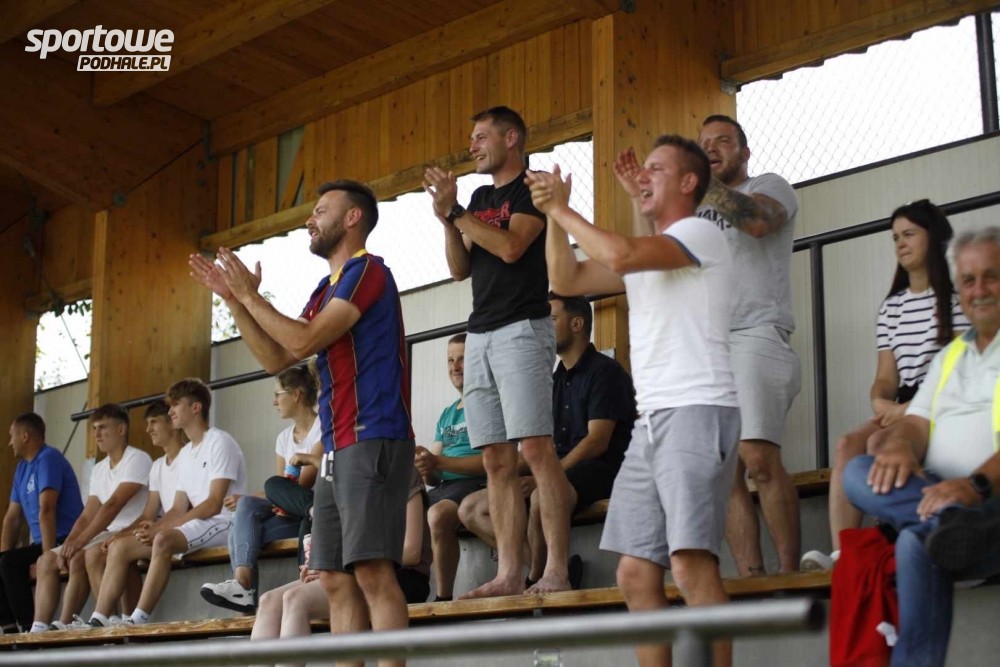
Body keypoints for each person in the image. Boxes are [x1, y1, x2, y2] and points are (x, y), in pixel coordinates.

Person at [528, 135, 739, 667]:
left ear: (689, 182)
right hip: (652, 423)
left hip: (697, 409)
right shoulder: (651, 253)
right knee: (634, 572)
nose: (643, 176)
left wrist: (563, 208)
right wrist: (553, 217)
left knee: (690, 565)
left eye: (657, 169)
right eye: (641, 169)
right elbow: (564, 278)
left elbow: (620, 253)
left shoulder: (701, 231)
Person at [190, 178, 413, 667]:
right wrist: (236, 300)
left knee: (372, 572)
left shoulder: (368, 270)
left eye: (320, 210)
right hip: (336, 446)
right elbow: (278, 357)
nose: (310, 220)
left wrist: (250, 296)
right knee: (332, 577)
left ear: (352, 218)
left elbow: (303, 340)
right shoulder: (324, 288)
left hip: (373, 436)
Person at [423, 106, 573, 597]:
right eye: (472, 138)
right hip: (481, 332)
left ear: (511, 138)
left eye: (481, 136)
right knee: (495, 459)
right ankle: (509, 572)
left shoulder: (532, 187)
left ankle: (556, 569)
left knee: (536, 450)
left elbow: (511, 248)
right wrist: (448, 221)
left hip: (522, 327)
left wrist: (457, 213)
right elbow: (459, 269)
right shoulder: (480, 197)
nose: (473, 146)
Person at [842, 227, 1000, 667]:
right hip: (944, 499)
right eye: (968, 281)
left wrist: (974, 486)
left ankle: (957, 519)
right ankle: (952, 521)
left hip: (992, 498)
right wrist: (900, 448)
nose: (979, 290)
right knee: (857, 470)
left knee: (915, 541)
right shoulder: (951, 356)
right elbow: (915, 422)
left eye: (991, 276)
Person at [801, 200, 968, 571]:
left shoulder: (958, 301)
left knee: (879, 444)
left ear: (934, 238)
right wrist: (880, 402)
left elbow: (957, 375)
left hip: (941, 401)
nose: (900, 244)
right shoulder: (891, 308)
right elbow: (886, 378)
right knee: (847, 444)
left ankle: (901, 537)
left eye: (909, 234)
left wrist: (906, 411)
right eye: (895, 238)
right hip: (903, 402)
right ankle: (843, 554)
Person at [459, 294, 635, 588]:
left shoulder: (606, 371)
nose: (542, 327)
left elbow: (597, 442)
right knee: (471, 508)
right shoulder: (551, 379)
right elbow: (537, 449)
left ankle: (538, 584)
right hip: (560, 468)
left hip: (602, 469)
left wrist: (547, 476)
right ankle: (541, 573)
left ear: (577, 324)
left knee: (543, 495)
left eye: (550, 319)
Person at [697, 114, 802, 575]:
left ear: (745, 152)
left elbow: (758, 221)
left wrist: (701, 182)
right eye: (703, 143)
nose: (711, 148)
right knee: (723, 468)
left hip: (757, 331)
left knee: (758, 456)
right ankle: (751, 579)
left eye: (722, 141)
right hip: (708, 346)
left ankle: (790, 574)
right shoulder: (693, 211)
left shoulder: (770, 185)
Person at [89, 378, 247, 626]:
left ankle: (138, 619)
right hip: (199, 523)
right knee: (120, 547)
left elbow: (213, 504)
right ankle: (99, 619)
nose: (171, 411)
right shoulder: (186, 453)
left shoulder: (220, 442)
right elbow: (176, 508)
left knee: (163, 539)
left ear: (195, 408)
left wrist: (161, 529)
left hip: (225, 523)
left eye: (176, 405)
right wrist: (154, 527)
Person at [251, 469, 431, 648]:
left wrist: (339, 564)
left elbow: (411, 553)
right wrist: (319, 564)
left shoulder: (401, 471)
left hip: (399, 576)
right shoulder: (340, 475)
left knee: (295, 599)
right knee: (268, 601)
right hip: (349, 571)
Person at [201, 365, 321, 612]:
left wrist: (262, 496)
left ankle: (245, 593)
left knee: (247, 513)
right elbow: (284, 490)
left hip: (311, 510)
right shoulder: (283, 438)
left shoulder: (322, 427)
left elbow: (301, 484)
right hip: (291, 511)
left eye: (278, 394)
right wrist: (262, 498)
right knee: (243, 519)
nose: (274, 402)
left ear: (296, 395)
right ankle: (243, 587)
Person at [30, 404, 151, 632]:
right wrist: (70, 542)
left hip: (129, 529)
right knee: (46, 560)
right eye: (94, 428)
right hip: (106, 533)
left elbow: (113, 505)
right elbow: (88, 514)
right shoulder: (99, 468)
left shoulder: (138, 458)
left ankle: (106, 619)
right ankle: (41, 627)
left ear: (121, 429)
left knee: (86, 555)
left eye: (103, 427)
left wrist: (81, 541)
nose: (97, 434)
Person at [87, 399, 188, 627]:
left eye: (154, 422)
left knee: (120, 547)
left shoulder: (189, 457)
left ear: (172, 424)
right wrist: (121, 534)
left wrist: (152, 529)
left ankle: (103, 618)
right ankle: (112, 618)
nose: (148, 429)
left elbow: (183, 509)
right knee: (115, 545)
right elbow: (148, 514)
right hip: (164, 530)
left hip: (185, 532)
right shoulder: (158, 465)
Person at [413, 333, 486, 602]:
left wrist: (438, 462)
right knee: (401, 514)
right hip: (446, 486)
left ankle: (443, 599)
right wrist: (422, 464)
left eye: (463, 359)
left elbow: (495, 462)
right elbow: (433, 477)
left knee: (437, 514)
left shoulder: (488, 403)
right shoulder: (447, 413)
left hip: (475, 483)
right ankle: (409, 589)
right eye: (450, 360)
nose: (455, 366)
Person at [0, 413, 83, 634]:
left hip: (64, 538)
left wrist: (47, 557)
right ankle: (8, 629)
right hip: (43, 542)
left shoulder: (48, 458)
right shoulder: (21, 468)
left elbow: (47, 510)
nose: (10, 443)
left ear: (25, 436)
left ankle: (29, 627)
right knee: (4, 561)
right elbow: (12, 518)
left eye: (12, 436)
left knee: (8, 563)